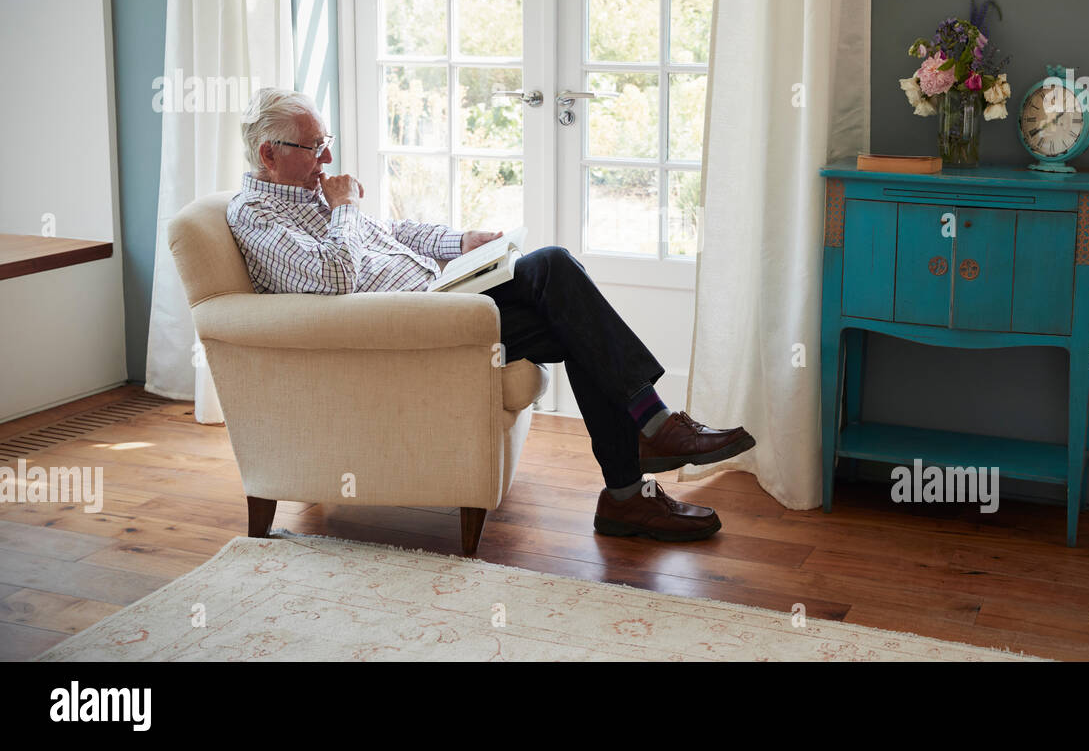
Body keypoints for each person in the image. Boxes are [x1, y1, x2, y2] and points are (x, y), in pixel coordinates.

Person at [226, 88, 754, 542]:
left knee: (562, 290)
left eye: (326, 142)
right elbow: (335, 277)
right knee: (554, 272)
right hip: (417, 329)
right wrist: (343, 207)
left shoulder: (311, 194)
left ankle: (628, 490)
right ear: (270, 154)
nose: (325, 157)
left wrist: (463, 242)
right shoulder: (255, 214)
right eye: (314, 146)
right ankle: (649, 440)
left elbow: (391, 233)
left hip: (445, 300)